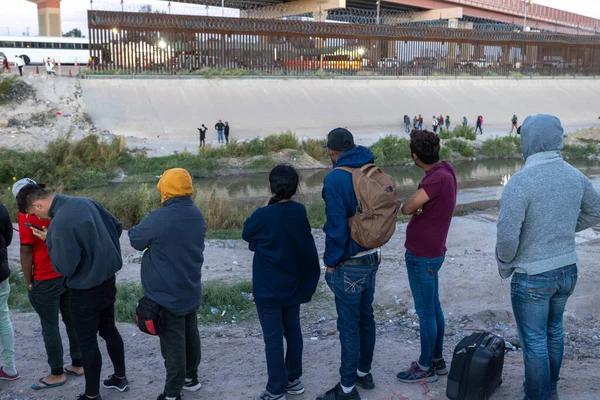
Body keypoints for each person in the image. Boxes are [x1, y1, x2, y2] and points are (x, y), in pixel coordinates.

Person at [496, 114, 600, 400]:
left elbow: (507, 238)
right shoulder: (575, 175)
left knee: (535, 342)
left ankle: (538, 396)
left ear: (529, 141)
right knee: (554, 332)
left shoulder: (520, 182)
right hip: (567, 270)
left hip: (533, 276)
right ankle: (549, 390)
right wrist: (564, 228)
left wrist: (505, 264)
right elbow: (595, 211)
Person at [16, 185, 129, 400]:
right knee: (109, 330)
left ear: (38, 204)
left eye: (33, 213)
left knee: (87, 342)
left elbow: (65, 268)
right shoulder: (85, 201)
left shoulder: (58, 224)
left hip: (85, 291)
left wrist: (50, 240)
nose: (36, 217)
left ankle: (92, 395)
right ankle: (120, 378)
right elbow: (116, 226)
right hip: (108, 281)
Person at [243, 165, 320, 400]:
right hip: (293, 282)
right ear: (295, 187)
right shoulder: (299, 211)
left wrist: (257, 245)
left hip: (269, 286)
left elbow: (248, 234)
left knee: (273, 338)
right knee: (293, 330)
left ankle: (276, 389)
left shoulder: (262, 215)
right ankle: (293, 379)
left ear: (271, 186)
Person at [129, 168, 205, 400]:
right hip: (190, 287)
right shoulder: (196, 214)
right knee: (190, 334)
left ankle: (172, 393)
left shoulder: (158, 217)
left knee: (172, 344)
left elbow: (135, 239)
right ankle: (191, 379)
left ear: (166, 188)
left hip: (166, 293)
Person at [317, 128, 381, 400]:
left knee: (349, 325)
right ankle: (364, 374)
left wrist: (331, 264)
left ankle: (345, 389)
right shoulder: (369, 167)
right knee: (366, 317)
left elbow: (335, 228)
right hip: (372, 256)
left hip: (349, 263)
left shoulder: (335, 179)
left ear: (332, 152)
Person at [396, 130, 457, 383]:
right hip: (433, 252)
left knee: (426, 312)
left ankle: (425, 366)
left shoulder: (434, 180)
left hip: (423, 255)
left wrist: (411, 206)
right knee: (433, 308)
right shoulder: (447, 170)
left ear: (415, 156)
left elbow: (407, 208)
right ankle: (437, 360)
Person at [12, 179, 83, 391]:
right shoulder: (57, 208)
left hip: (44, 276)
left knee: (50, 325)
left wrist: (28, 281)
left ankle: (56, 372)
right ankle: (78, 364)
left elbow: (26, 250)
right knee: (71, 320)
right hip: (66, 272)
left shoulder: (26, 214)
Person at [0, 200, 19, 381]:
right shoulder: (1, 208)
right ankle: (10, 368)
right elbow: (8, 239)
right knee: (3, 318)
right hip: (0, 272)